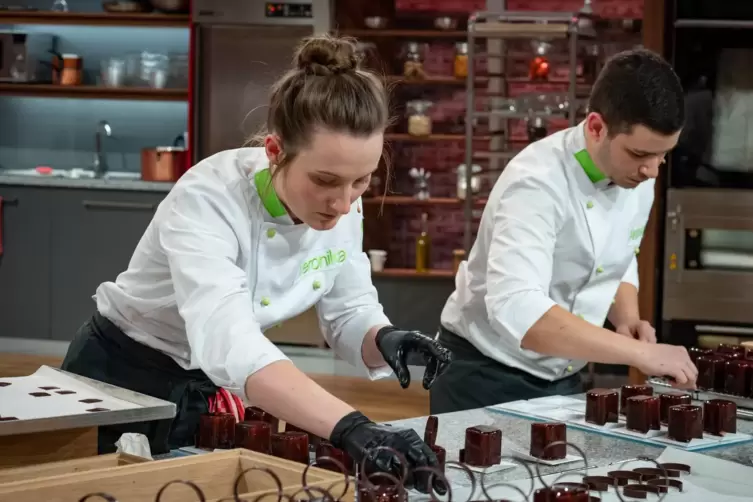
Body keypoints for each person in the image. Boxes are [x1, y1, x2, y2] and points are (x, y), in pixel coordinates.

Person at [60, 34, 452, 491]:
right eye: (326, 181)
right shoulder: (208, 199)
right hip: (121, 380)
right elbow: (231, 341)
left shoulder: (343, 205)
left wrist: (384, 337)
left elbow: (348, 310)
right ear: (274, 151)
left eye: (361, 181)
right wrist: (351, 426)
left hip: (209, 387)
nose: (344, 203)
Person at [429, 48, 698, 414]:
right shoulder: (536, 183)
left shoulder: (638, 176)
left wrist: (628, 319)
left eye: (662, 155)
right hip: (482, 375)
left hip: (563, 376)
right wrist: (642, 354)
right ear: (596, 127)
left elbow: (618, 253)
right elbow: (518, 308)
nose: (652, 170)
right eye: (639, 155)